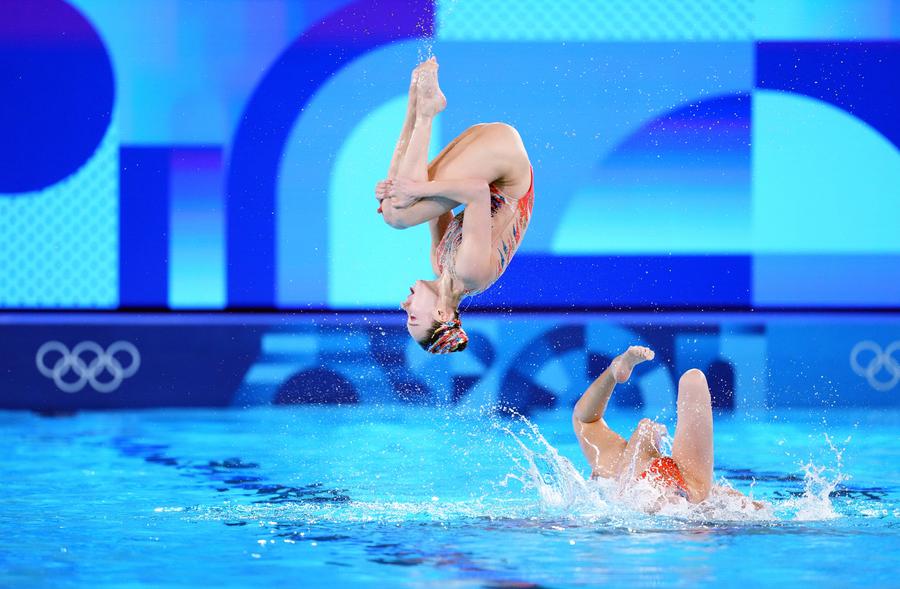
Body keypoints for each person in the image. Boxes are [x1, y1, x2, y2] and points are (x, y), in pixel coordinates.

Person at [376, 57, 534, 354]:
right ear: (442, 315)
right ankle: (425, 112)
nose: (404, 304)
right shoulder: (470, 273)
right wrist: (416, 190)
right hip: (507, 162)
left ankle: (416, 98)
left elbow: (437, 206)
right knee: (399, 212)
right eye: (412, 316)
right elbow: (474, 192)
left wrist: (396, 191)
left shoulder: (440, 263)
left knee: (394, 207)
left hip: (489, 156)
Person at [573, 345, 762, 508]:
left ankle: (616, 367)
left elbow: (585, 419)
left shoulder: (610, 468)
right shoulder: (612, 464)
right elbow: (584, 418)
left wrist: (614, 372)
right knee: (692, 379)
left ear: (594, 476)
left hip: (650, 489)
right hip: (674, 488)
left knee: (689, 384)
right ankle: (616, 368)